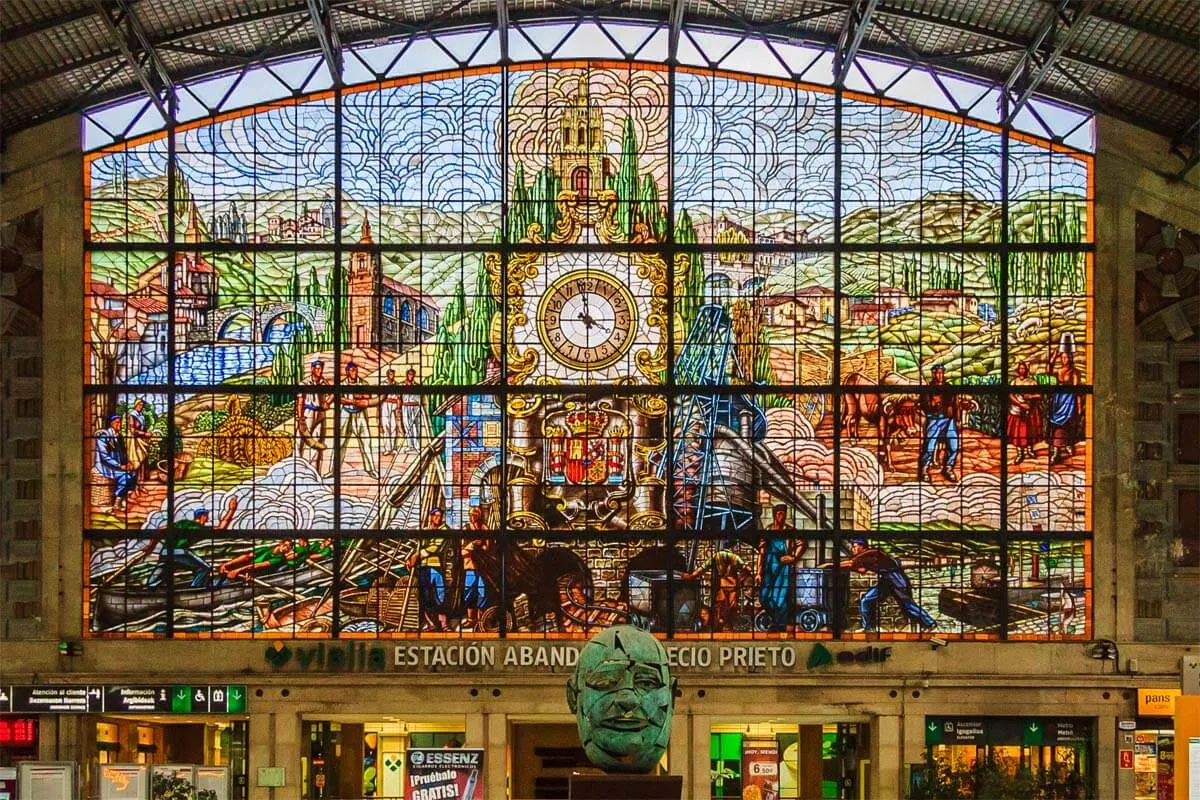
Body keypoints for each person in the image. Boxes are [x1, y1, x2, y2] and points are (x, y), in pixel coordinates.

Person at [830, 539, 935, 632]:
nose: (853, 549)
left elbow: (851, 563)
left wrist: (830, 565)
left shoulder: (871, 553)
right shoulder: (867, 556)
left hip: (896, 579)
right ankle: (869, 628)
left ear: (862, 546)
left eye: (855, 546)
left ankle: (929, 623)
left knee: (907, 605)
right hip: (886, 580)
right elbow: (862, 570)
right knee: (866, 601)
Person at [145, 498, 238, 590]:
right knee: (204, 569)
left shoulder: (182, 522)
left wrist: (151, 547)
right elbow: (221, 528)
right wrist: (231, 510)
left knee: (160, 575)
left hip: (165, 552)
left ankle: (148, 591)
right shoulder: (200, 528)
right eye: (206, 516)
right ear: (202, 516)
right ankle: (194, 590)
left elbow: (160, 530)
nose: (208, 518)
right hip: (179, 552)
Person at [759, 504, 808, 631]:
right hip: (769, 567)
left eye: (784, 513)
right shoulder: (768, 530)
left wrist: (793, 557)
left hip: (783, 568)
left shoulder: (790, 530)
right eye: (779, 513)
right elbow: (762, 552)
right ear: (774, 515)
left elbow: (802, 543)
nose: (782, 516)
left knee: (781, 596)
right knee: (764, 597)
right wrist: (759, 572)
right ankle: (774, 619)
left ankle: (780, 625)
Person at [682, 543, 751, 631]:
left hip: (721, 585)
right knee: (731, 608)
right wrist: (741, 579)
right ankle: (727, 627)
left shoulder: (715, 557)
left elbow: (703, 568)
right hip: (733, 586)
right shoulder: (735, 557)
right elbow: (747, 569)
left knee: (719, 608)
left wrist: (691, 576)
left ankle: (719, 627)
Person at [406, 507, 449, 631]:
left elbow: (436, 548)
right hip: (424, 567)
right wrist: (409, 558)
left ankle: (444, 624)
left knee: (440, 596)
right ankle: (431, 624)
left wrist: (417, 555)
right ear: (431, 516)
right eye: (435, 515)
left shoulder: (444, 530)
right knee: (425, 597)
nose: (438, 518)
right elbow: (416, 547)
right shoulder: (425, 530)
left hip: (436, 567)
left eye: (440, 516)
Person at [919, 365, 960, 484]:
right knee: (929, 447)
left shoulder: (949, 387)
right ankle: (924, 469)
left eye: (941, 373)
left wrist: (957, 418)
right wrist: (932, 404)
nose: (940, 375)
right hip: (934, 420)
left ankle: (948, 468)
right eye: (937, 373)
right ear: (933, 374)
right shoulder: (928, 389)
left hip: (949, 420)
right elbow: (924, 405)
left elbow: (955, 402)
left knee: (954, 446)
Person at [338, 361, 378, 478]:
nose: (354, 372)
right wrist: (354, 400)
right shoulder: (342, 384)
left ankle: (370, 469)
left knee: (366, 442)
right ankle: (334, 470)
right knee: (340, 443)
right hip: (346, 414)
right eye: (351, 370)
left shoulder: (363, 383)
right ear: (347, 371)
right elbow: (341, 399)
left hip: (360, 414)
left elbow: (368, 396)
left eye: (355, 370)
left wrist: (358, 397)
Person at [94, 415, 137, 512]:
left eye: (120, 422)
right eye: (117, 422)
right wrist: (119, 466)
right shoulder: (104, 436)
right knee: (126, 477)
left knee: (133, 474)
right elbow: (104, 456)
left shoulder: (119, 436)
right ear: (112, 424)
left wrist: (128, 463)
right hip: (106, 466)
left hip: (117, 465)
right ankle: (117, 503)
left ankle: (123, 498)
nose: (120, 425)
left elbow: (123, 453)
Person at [297, 360, 333, 476]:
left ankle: (313, 473)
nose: (320, 371)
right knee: (300, 441)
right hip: (308, 413)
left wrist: (327, 402)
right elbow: (300, 401)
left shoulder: (323, 382)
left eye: (321, 368)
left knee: (317, 443)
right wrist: (300, 419)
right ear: (312, 369)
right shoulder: (304, 383)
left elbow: (333, 392)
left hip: (320, 414)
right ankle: (297, 469)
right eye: (317, 369)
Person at [1047, 350, 1083, 465]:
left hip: (1069, 399)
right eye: (1062, 358)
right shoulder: (1059, 370)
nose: (1063, 360)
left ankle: (1068, 445)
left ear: (1070, 358)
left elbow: (1076, 390)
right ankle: (1057, 451)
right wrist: (1052, 359)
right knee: (1057, 425)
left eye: (1066, 357)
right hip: (1058, 400)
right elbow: (1048, 372)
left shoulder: (1074, 371)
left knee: (1067, 424)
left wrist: (1078, 405)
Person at [460, 507, 491, 631]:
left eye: (475, 514)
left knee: (482, 593)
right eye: (471, 514)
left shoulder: (485, 529)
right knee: (469, 592)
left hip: (483, 567)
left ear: (480, 515)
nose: (473, 516)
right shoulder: (466, 529)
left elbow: (489, 547)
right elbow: (462, 551)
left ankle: (481, 620)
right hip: (470, 567)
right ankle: (471, 619)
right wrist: (472, 545)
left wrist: (482, 546)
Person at [1007, 361, 1042, 464]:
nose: (1022, 370)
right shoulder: (1014, 382)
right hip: (1017, 410)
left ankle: (1029, 450)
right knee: (1018, 433)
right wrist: (1020, 404)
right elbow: (1010, 395)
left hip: (1030, 411)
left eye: (1024, 368)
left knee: (1029, 432)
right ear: (1018, 370)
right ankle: (1020, 453)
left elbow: (1039, 395)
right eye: (1020, 368)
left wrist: (1030, 397)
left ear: (1027, 370)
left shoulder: (1032, 382)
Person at [123, 398, 152, 491]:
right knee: (135, 462)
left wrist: (148, 433)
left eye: (142, 405)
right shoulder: (132, 415)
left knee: (142, 462)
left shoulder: (141, 416)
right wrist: (144, 434)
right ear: (136, 405)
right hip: (133, 441)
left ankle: (140, 485)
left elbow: (142, 429)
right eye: (139, 405)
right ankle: (133, 486)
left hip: (140, 441)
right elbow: (132, 430)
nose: (141, 407)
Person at [400, 368, 426, 453]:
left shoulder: (417, 386)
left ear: (414, 375)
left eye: (412, 374)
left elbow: (421, 398)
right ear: (407, 375)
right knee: (407, 426)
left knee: (416, 426)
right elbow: (399, 397)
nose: (411, 376)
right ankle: (410, 445)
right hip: (405, 407)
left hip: (415, 407)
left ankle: (417, 446)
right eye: (409, 374)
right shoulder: (402, 385)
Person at [380, 368, 402, 456]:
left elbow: (399, 397)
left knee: (393, 427)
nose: (392, 376)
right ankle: (387, 448)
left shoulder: (396, 384)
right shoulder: (383, 384)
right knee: (386, 426)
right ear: (387, 375)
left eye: (393, 374)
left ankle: (393, 448)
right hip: (385, 405)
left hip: (393, 406)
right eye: (390, 374)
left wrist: (398, 408)